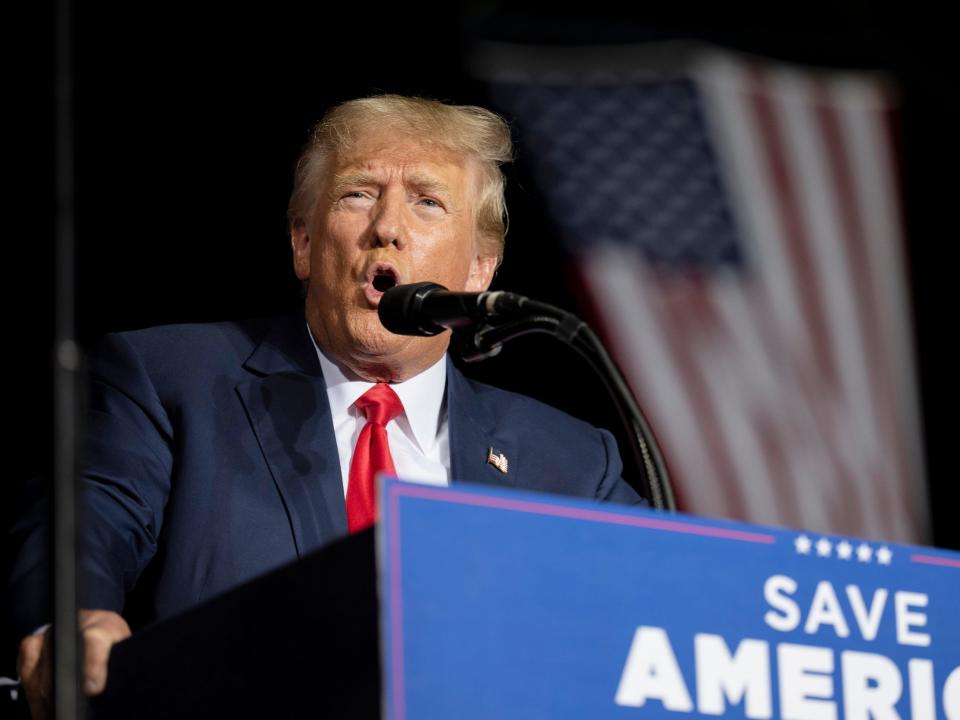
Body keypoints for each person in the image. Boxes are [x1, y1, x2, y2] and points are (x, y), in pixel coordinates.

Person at [10, 94, 643, 717]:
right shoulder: (173, 379)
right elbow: (87, 524)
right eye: (358, 194)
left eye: (427, 202)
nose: (387, 228)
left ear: (479, 269)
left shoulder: (572, 462)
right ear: (304, 243)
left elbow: (671, 605)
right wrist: (73, 617)